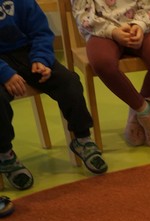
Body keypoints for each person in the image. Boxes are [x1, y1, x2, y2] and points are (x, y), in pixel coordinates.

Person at [1, 0, 106, 191]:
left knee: (69, 81)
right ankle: (5, 154)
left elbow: (41, 32)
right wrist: (4, 73)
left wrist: (41, 59)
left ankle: (82, 139)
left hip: (28, 53)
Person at [71, 0, 150, 147]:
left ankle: (136, 112)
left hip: (138, 28)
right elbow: (82, 14)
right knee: (102, 63)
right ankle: (145, 109)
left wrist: (139, 25)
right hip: (101, 32)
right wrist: (112, 31)